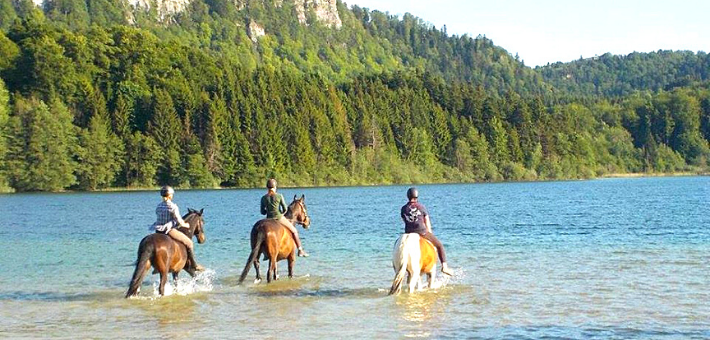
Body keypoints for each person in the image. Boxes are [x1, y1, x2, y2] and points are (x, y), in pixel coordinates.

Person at [400, 187, 453, 276]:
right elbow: (427, 222)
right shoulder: (421, 207)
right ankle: (444, 267)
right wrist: (430, 233)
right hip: (422, 232)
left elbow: (404, 221)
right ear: (417, 196)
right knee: (439, 245)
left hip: (408, 233)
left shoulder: (403, 208)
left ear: (408, 196)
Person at [151, 185, 204, 272]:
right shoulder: (173, 206)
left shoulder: (158, 206)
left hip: (158, 231)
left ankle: (156, 267)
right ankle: (194, 265)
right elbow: (179, 221)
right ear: (170, 195)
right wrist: (186, 225)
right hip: (169, 230)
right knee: (189, 243)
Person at [261, 178, 309, 257]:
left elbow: (262, 212)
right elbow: (285, 209)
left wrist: (268, 211)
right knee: (294, 231)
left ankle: (266, 253)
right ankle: (300, 250)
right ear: (275, 187)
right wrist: (280, 213)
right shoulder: (279, 196)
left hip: (268, 219)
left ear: (267, 187)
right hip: (278, 218)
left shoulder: (263, 198)